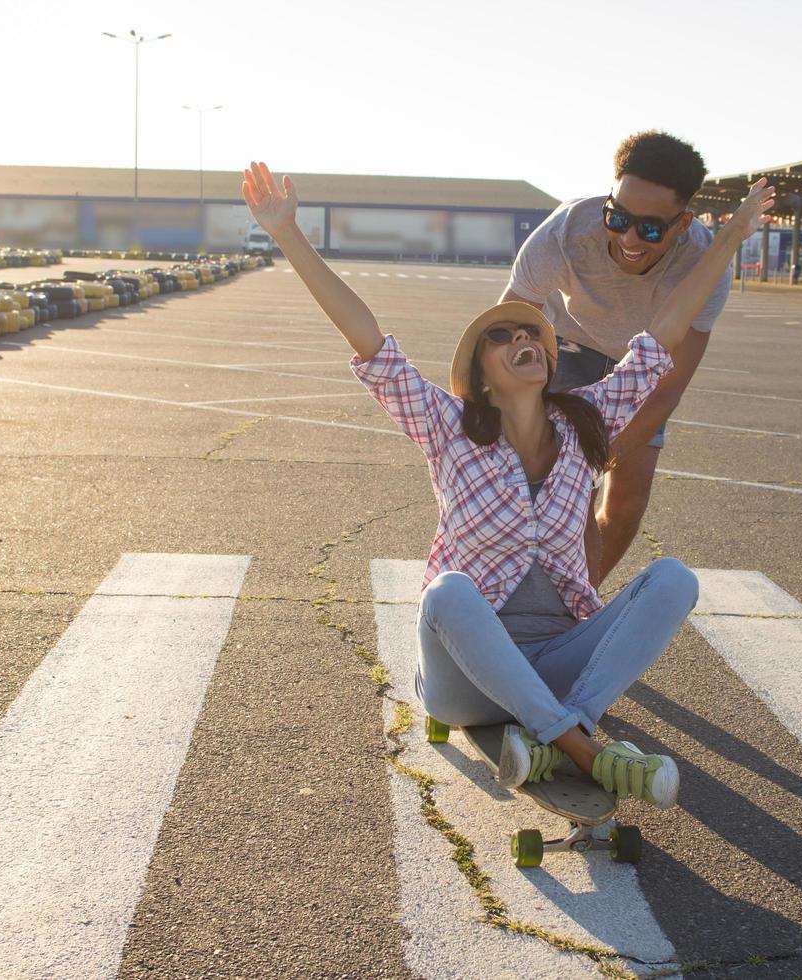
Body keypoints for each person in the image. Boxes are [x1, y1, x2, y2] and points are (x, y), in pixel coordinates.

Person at [242, 160, 774, 807]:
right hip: (465, 677)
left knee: (674, 580)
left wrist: (734, 233)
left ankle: (560, 728)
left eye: (533, 334)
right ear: (480, 371)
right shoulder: (445, 423)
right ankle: (583, 745)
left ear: (549, 359)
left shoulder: (586, 422)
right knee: (449, 593)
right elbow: (367, 337)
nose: (523, 338)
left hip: (557, 659)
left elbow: (660, 342)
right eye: (504, 336)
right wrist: (288, 235)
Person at [500, 131, 734, 587]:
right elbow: (508, 322)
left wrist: (597, 459)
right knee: (568, 496)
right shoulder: (568, 231)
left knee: (626, 500)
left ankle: (579, 602)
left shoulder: (704, 264)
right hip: (567, 346)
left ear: (682, 224)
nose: (629, 237)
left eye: (649, 228)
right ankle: (535, 602)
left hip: (646, 365)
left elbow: (668, 389)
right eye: (618, 216)